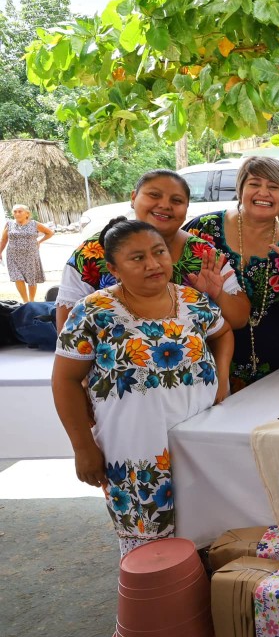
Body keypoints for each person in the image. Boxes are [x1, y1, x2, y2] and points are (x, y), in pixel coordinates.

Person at [51, 219, 233, 557]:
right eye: (137, 258)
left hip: (199, 444)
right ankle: (161, 606)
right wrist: (82, 446)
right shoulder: (93, 312)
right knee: (152, 547)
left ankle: (211, 603)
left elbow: (223, 332)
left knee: (209, 535)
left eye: (159, 252)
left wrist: (221, 379)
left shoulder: (192, 300)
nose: (153, 264)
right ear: (113, 268)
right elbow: (64, 379)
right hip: (134, 450)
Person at [185, 157, 279, 390]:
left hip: (274, 370)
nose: (264, 192)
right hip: (206, 366)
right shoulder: (204, 229)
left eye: (274, 187)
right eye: (254, 184)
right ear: (240, 189)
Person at [57, 170, 250, 331]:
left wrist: (218, 295)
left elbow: (240, 320)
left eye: (176, 200)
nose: (165, 205)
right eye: (154, 195)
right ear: (133, 198)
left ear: (186, 208)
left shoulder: (203, 254)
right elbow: (68, 332)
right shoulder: (91, 254)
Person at [1, 204, 53, 302]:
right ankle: (25, 301)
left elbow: (50, 233)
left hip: (30, 256)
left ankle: (32, 300)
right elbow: (3, 239)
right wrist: (0, 252)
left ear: (27, 214)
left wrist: (39, 241)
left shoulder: (34, 224)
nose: (17, 214)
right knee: (17, 277)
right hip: (13, 255)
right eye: (15, 212)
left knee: (31, 278)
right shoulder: (9, 224)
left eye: (20, 211)